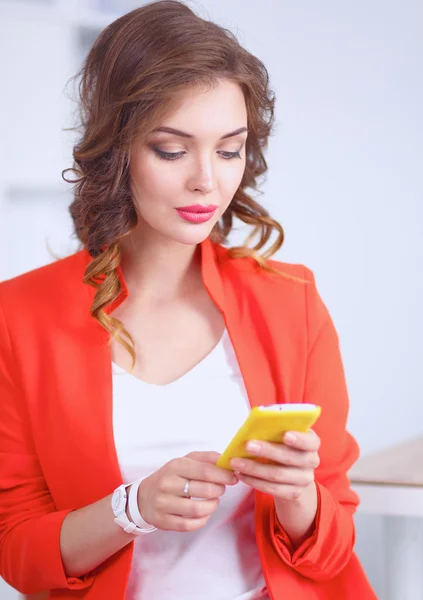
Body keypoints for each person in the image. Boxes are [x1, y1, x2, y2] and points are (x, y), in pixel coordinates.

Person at [0, 1, 377, 599]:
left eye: (229, 149)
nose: (208, 180)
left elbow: (333, 550)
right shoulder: (19, 318)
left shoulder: (292, 301)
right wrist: (132, 509)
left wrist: (298, 495)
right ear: (115, 149)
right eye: (172, 150)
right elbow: (19, 554)